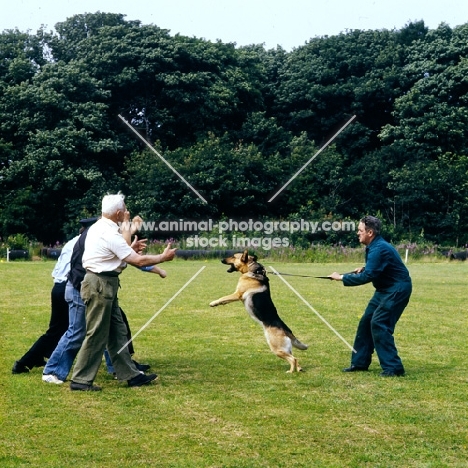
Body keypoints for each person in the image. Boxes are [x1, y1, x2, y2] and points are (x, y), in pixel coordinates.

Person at [69, 193, 176, 391]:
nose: (126, 212)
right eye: (124, 209)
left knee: (117, 332)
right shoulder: (109, 233)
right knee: (96, 333)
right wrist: (163, 257)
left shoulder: (99, 227)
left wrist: (129, 245)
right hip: (101, 285)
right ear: (118, 213)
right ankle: (80, 380)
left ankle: (130, 374)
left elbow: (117, 251)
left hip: (103, 284)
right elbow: (138, 261)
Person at [42, 214, 159, 384]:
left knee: (116, 331)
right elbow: (125, 256)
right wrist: (130, 228)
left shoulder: (98, 236)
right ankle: (54, 371)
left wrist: (130, 236)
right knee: (79, 332)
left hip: (95, 287)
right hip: (81, 287)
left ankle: (128, 374)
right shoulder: (97, 236)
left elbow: (120, 254)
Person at [329, 215, 412, 377]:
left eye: (360, 230)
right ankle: (359, 363)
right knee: (366, 322)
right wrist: (366, 268)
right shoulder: (375, 246)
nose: (357, 233)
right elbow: (374, 269)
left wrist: (342, 277)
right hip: (384, 289)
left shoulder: (379, 248)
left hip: (397, 289)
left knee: (379, 323)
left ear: (370, 232)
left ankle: (394, 368)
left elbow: (368, 277)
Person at [11, 221, 92, 374]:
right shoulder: (86, 243)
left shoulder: (72, 242)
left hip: (59, 287)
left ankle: (33, 358)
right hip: (70, 287)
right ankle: (24, 362)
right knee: (64, 330)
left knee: (58, 330)